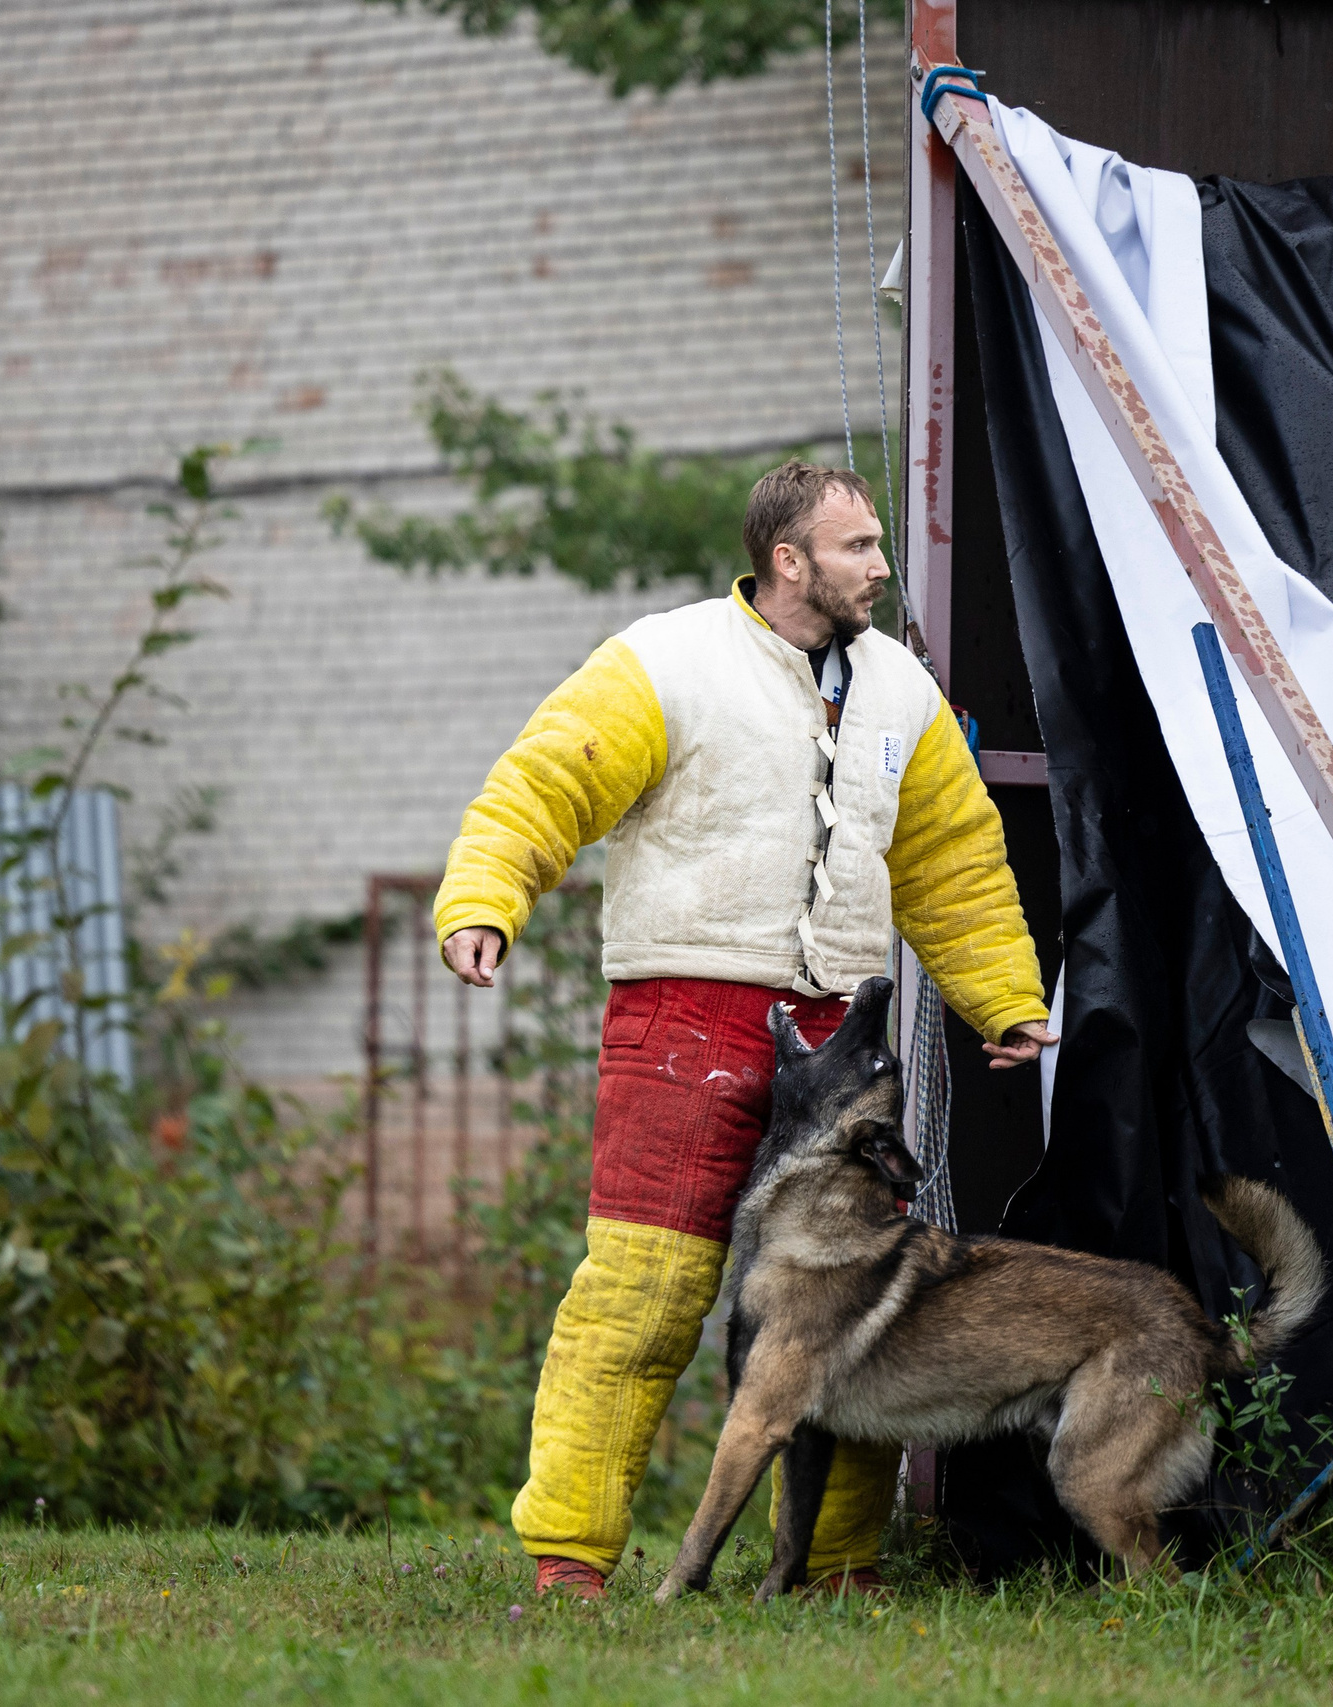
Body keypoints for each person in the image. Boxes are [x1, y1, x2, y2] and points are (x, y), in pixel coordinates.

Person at [433, 460, 1054, 1600]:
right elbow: (540, 787)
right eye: (858, 547)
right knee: (642, 1292)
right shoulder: (663, 662)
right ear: (788, 560)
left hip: (842, 1033)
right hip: (681, 1019)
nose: (881, 566)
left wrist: (1003, 996)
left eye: (879, 544)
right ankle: (569, 1561)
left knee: (854, 1299)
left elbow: (953, 861)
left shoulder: (902, 692)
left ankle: (832, 1568)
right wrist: (483, 902)